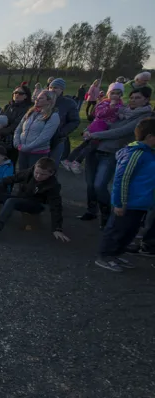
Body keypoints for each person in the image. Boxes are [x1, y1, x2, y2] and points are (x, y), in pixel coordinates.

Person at [79, 87, 153, 227]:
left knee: (99, 185)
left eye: (137, 98)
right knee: (90, 184)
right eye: (131, 97)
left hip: (112, 152)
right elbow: (106, 122)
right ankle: (91, 210)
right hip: (95, 148)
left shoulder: (144, 117)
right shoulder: (122, 111)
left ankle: (106, 215)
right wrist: (90, 129)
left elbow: (121, 131)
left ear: (146, 99)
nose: (133, 100)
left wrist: (95, 134)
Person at [94, 118, 155, 272]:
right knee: (117, 229)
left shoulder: (149, 154)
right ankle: (105, 255)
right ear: (149, 136)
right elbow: (122, 178)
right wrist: (120, 203)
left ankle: (116, 254)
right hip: (128, 202)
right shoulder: (136, 153)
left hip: (141, 203)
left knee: (130, 231)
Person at [0, 158, 69, 242]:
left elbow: (56, 207)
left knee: (11, 201)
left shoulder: (53, 185)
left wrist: (57, 228)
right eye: (37, 172)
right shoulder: (30, 172)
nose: (38, 176)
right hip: (22, 198)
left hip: (35, 204)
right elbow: (9, 179)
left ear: (51, 173)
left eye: (43, 174)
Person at [63, 82, 125, 174]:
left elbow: (119, 115)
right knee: (91, 145)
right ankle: (76, 161)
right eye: (113, 93)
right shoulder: (104, 103)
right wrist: (110, 108)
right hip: (98, 126)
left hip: (107, 129)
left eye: (118, 93)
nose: (115, 96)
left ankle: (69, 160)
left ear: (121, 94)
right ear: (108, 94)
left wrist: (121, 115)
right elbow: (98, 114)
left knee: (85, 144)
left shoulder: (121, 105)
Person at [13, 90, 60, 170]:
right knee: (21, 175)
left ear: (49, 101)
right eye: (37, 98)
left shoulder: (53, 116)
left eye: (41, 98)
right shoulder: (30, 112)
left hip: (38, 153)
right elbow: (19, 128)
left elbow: (45, 137)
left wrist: (28, 147)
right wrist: (17, 142)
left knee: (33, 177)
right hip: (22, 150)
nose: (36, 100)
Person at [0, 85, 33, 165]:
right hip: (1, 139)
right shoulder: (7, 106)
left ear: (26, 96)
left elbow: (16, 125)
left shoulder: (28, 109)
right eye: (15, 92)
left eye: (20, 93)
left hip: (14, 140)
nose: (16, 95)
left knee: (9, 164)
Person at [46, 78, 80, 162]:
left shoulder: (69, 103)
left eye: (55, 88)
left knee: (52, 164)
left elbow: (75, 121)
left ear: (62, 89)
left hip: (57, 139)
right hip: (41, 138)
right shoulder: (45, 101)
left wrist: (62, 132)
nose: (52, 90)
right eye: (50, 87)